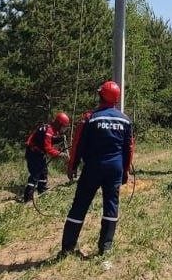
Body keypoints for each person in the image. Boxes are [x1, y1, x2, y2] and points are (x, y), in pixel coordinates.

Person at [60, 80, 134, 256]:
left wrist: (72, 165)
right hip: (114, 169)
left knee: (79, 206)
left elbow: (77, 144)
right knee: (111, 206)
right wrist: (125, 171)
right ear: (116, 99)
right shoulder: (125, 120)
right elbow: (129, 148)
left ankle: (68, 248)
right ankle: (105, 248)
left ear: (100, 95)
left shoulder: (90, 118)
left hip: (93, 168)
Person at [22, 111, 71, 203]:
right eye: (64, 127)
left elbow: (47, 141)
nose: (64, 130)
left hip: (39, 153)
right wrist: (61, 154)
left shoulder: (49, 128)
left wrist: (58, 139)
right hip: (33, 153)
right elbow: (48, 148)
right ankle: (28, 197)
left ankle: (42, 190)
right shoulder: (48, 130)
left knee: (43, 172)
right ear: (59, 124)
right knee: (35, 174)